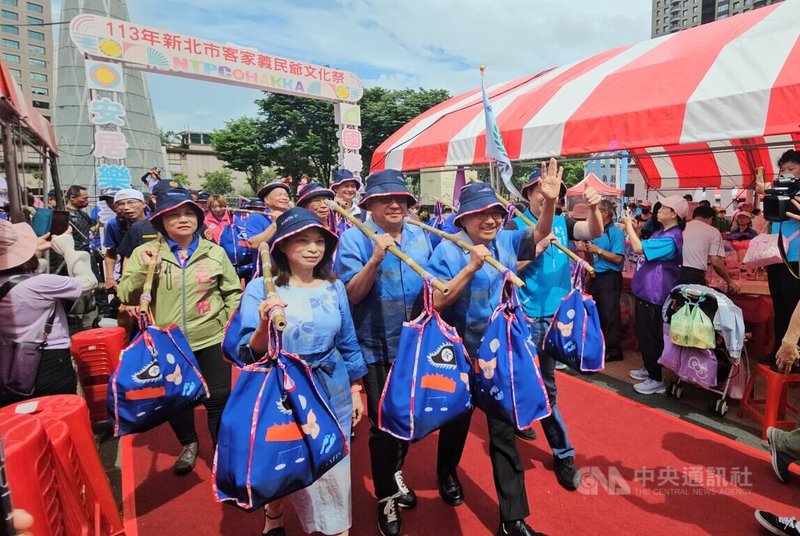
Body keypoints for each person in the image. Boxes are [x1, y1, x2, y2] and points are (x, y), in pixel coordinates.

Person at [427, 165, 561, 536]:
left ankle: (513, 518)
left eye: (495, 213)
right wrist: (470, 267)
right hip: (460, 355)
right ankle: (447, 473)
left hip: (500, 356)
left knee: (504, 433)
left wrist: (548, 203)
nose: (490, 219)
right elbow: (435, 301)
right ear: (464, 218)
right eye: (481, 214)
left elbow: (540, 233)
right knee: (456, 425)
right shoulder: (447, 249)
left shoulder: (506, 240)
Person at [235, 207, 366, 536]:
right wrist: (265, 322)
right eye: (302, 241)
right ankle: (275, 511)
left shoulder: (334, 287)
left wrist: (355, 388)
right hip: (284, 388)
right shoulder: (261, 291)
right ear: (282, 246)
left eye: (319, 241)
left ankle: (333, 527)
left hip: (332, 383)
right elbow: (248, 352)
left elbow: (347, 339)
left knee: (333, 462)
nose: (313, 248)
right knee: (288, 456)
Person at [117, 186, 242, 474]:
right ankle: (188, 443)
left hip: (211, 338)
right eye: (174, 215)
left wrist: (227, 326)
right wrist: (143, 270)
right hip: (168, 342)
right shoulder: (144, 253)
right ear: (161, 220)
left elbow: (232, 293)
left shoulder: (215, 253)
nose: (183, 219)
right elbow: (126, 294)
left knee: (218, 398)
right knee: (177, 398)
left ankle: (222, 452)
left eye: (189, 213)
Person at [334, 169, 431, 536]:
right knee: (383, 426)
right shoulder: (353, 239)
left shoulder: (423, 237)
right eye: (384, 199)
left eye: (401, 199)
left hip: (414, 346)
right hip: (373, 348)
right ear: (369, 205)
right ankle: (386, 498)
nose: (394, 204)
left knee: (406, 421)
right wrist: (375, 258)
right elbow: (353, 295)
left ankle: (394, 470)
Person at [506, 166, 602, 489]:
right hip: (527, 317)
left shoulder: (563, 223)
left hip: (558, 318)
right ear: (528, 193)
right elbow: (507, 268)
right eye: (538, 189)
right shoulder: (514, 226)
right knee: (521, 377)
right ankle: (553, 444)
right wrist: (535, 251)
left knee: (547, 387)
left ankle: (562, 452)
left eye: (551, 190)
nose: (545, 194)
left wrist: (594, 208)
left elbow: (594, 232)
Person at [0, 221, 97, 407]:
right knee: (56, 415)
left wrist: (31, 253)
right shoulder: (40, 284)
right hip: (49, 360)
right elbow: (87, 282)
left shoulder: (20, 284)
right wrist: (68, 249)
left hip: (7, 362)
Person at [622, 195, 686, 395]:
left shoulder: (672, 237)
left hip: (655, 293)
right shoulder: (661, 232)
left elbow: (639, 247)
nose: (659, 210)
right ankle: (650, 367)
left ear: (674, 213)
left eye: (664, 207)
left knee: (651, 335)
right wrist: (631, 228)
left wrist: (628, 226)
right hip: (647, 290)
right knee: (645, 333)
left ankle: (656, 378)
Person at [763, 149, 800, 367]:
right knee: (779, 307)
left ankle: (794, 357)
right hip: (777, 257)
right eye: (783, 169)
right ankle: (778, 352)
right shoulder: (778, 193)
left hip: (796, 260)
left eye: (791, 169)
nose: (785, 173)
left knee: (794, 308)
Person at [582, 199, 626, 362]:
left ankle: (614, 350)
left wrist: (597, 250)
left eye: (596, 211)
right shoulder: (595, 231)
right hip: (595, 276)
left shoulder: (615, 233)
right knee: (597, 313)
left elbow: (618, 259)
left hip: (610, 277)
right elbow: (591, 256)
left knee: (610, 314)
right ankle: (600, 345)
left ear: (606, 213)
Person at [679, 205, 739, 293]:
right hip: (693, 275)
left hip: (674, 272)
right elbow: (716, 262)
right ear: (711, 219)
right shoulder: (713, 231)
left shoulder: (680, 228)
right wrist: (729, 281)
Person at [103, 189, 147, 291]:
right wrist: (110, 277)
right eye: (121, 204)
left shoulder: (156, 221)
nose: (126, 208)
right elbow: (111, 252)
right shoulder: (113, 225)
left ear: (143, 204)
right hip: (127, 273)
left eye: (131, 202)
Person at [246, 181, 293, 249]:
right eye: (279, 195)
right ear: (267, 200)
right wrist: (275, 224)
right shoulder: (257, 217)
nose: (285, 198)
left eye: (286, 196)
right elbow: (253, 244)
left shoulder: (292, 216)